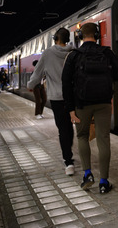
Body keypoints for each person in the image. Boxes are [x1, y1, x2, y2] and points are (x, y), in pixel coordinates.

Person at [62, 23, 118, 194]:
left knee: (82, 136)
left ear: (80, 36)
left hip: (82, 104)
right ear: (97, 35)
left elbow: (66, 85)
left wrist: (70, 109)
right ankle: (104, 182)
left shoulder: (73, 56)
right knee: (103, 139)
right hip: (104, 103)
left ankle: (88, 174)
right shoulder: (107, 53)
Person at [27, 28, 75, 174]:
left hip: (57, 98)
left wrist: (30, 85)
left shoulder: (48, 53)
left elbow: (37, 73)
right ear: (67, 39)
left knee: (63, 129)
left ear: (55, 38)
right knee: (69, 126)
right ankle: (69, 153)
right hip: (72, 97)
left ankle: (68, 162)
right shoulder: (73, 52)